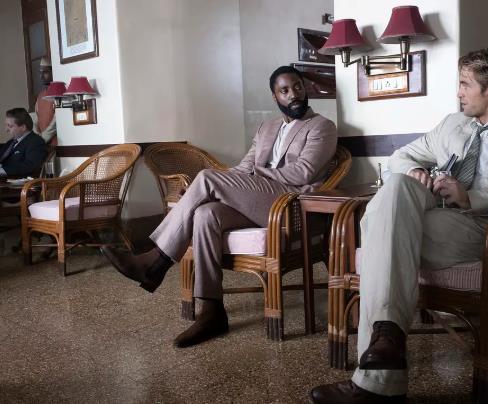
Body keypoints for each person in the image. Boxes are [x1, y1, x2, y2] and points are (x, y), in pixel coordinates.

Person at [310, 47, 488, 403]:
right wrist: (415, 170)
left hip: (487, 229)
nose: (458, 92)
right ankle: (386, 346)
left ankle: (379, 373)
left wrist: (472, 196)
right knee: (396, 188)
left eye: (464, 84)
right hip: (437, 218)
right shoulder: (452, 124)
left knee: (381, 227)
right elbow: (401, 156)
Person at [101, 65, 337, 348]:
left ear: (305, 88)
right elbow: (244, 168)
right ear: (275, 97)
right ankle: (211, 310)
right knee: (206, 214)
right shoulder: (266, 128)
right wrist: (208, 188)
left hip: (289, 204)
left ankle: (155, 261)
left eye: (297, 87)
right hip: (259, 201)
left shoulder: (322, 126)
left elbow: (303, 173)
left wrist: (245, 176)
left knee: (206, 178)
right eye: (285, 90)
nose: (294, 94)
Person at [1, 108, 47, 178]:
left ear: (23, 127)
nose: (6, 130)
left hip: (16, 181)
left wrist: (3, 171)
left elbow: (30, 165)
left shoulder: (36, 142)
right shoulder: (11, 142)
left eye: (10, 126)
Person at [32, 57, 57, 144]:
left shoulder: (59, 92)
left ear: (53, 71)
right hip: (42, 144)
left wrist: (44, 137)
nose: (41, 76)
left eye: (45, 72)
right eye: (40, 72)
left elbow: (57, 119)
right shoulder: (40, 95)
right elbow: (36, 119)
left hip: (57, 143)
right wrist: (38, 137)